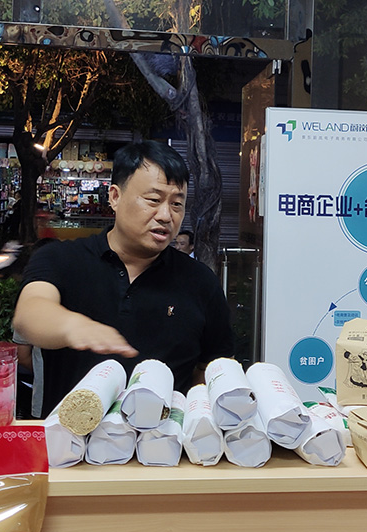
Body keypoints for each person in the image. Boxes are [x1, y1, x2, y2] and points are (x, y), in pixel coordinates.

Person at [13, 140, 235, 418]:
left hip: (162, 443)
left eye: (177, 204)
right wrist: (74, 326)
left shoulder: (200, 281)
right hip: (70, 439)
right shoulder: (61, 259)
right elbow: (30, 313)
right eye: (153, 200)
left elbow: (213, 367)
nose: (166, 215)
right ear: (115, 197)